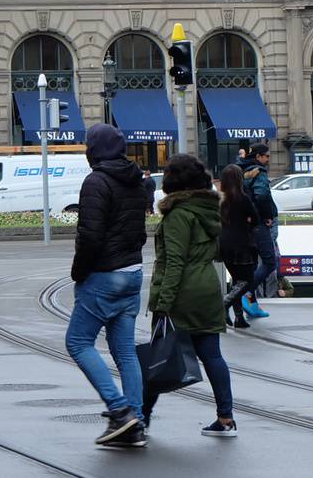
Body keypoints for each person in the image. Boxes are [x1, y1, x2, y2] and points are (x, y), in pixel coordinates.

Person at [65, 123, 149, 449]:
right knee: (126, 353)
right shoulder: (136, 179)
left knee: (78, 342)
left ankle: (120, 410)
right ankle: (137, 423)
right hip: (133, 271)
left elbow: (90, 236)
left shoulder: (96, 181)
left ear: (93, 149)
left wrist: (79, 272)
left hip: (104, 274)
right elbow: (139, 230)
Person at [143, 154, 236, 437]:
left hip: (182, 292)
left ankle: (140, 417)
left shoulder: (178, 215)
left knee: (157, 359)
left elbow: (174, 263)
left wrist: (163, 303)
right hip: (207, 288)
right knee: (212, 356)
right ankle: (225, 418)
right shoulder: (208, 210)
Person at [216, 164, 260, 329]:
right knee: (247, 280)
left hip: (224, 244)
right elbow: (255, 219)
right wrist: (247, 222)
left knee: (237, 280)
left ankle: (239, 318)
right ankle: (224, 305)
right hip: (242, 244)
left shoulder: (220, 200)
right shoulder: (243, 198)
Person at [240, 142, 278, 316]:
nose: (269, 159)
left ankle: (251, 304)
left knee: (252, 264)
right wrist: (267, 216)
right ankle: (245, 293)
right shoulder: (259, 171)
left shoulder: (240, 169)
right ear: (258, 156)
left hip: (243, 223)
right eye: (266, 156)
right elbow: (262, 195)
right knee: (270, 261)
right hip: (258, 222)